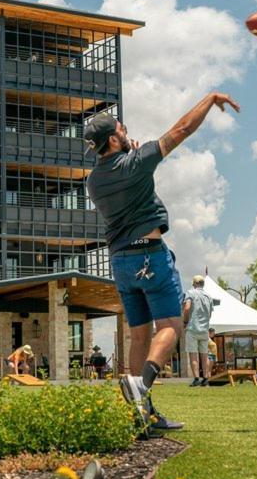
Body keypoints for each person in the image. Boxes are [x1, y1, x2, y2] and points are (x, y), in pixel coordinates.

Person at [84, 92, 240, 434]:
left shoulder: (93, 181)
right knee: (171, 327)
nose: (126, 131)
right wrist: (211, 98)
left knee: (139, 335)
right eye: (122, 129)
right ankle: (143, 387)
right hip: (149, 256)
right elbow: (181, 129)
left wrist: (129, 152)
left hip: (121, 262)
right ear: (113, 138)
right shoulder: (136, 162)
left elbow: (122, 177)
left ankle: (139, 415)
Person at [182, 275, 214, 387]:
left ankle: (196, 378)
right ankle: (205, 378)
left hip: (192, 328)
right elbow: (210, 314)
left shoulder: (190, 293)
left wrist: (185, 321)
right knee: (204, 355)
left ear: (194, 283)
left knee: (193, 354)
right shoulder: (209, 296)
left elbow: (186, 308)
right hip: (204, 329)